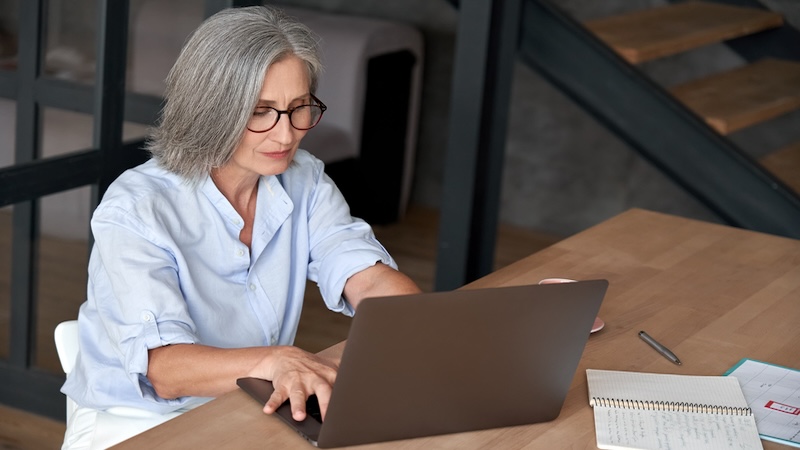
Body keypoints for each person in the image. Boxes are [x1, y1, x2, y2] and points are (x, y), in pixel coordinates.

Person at [60, 5, 421, 449]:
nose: (286, 135)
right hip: (138, 422)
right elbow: (166, 371)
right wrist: (279, 360)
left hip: (247, 403)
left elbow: (368, 277)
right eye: (261, 112)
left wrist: (404, 324)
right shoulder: (137, 208)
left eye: (298, 109)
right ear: (211, 110)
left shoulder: (303, 179)